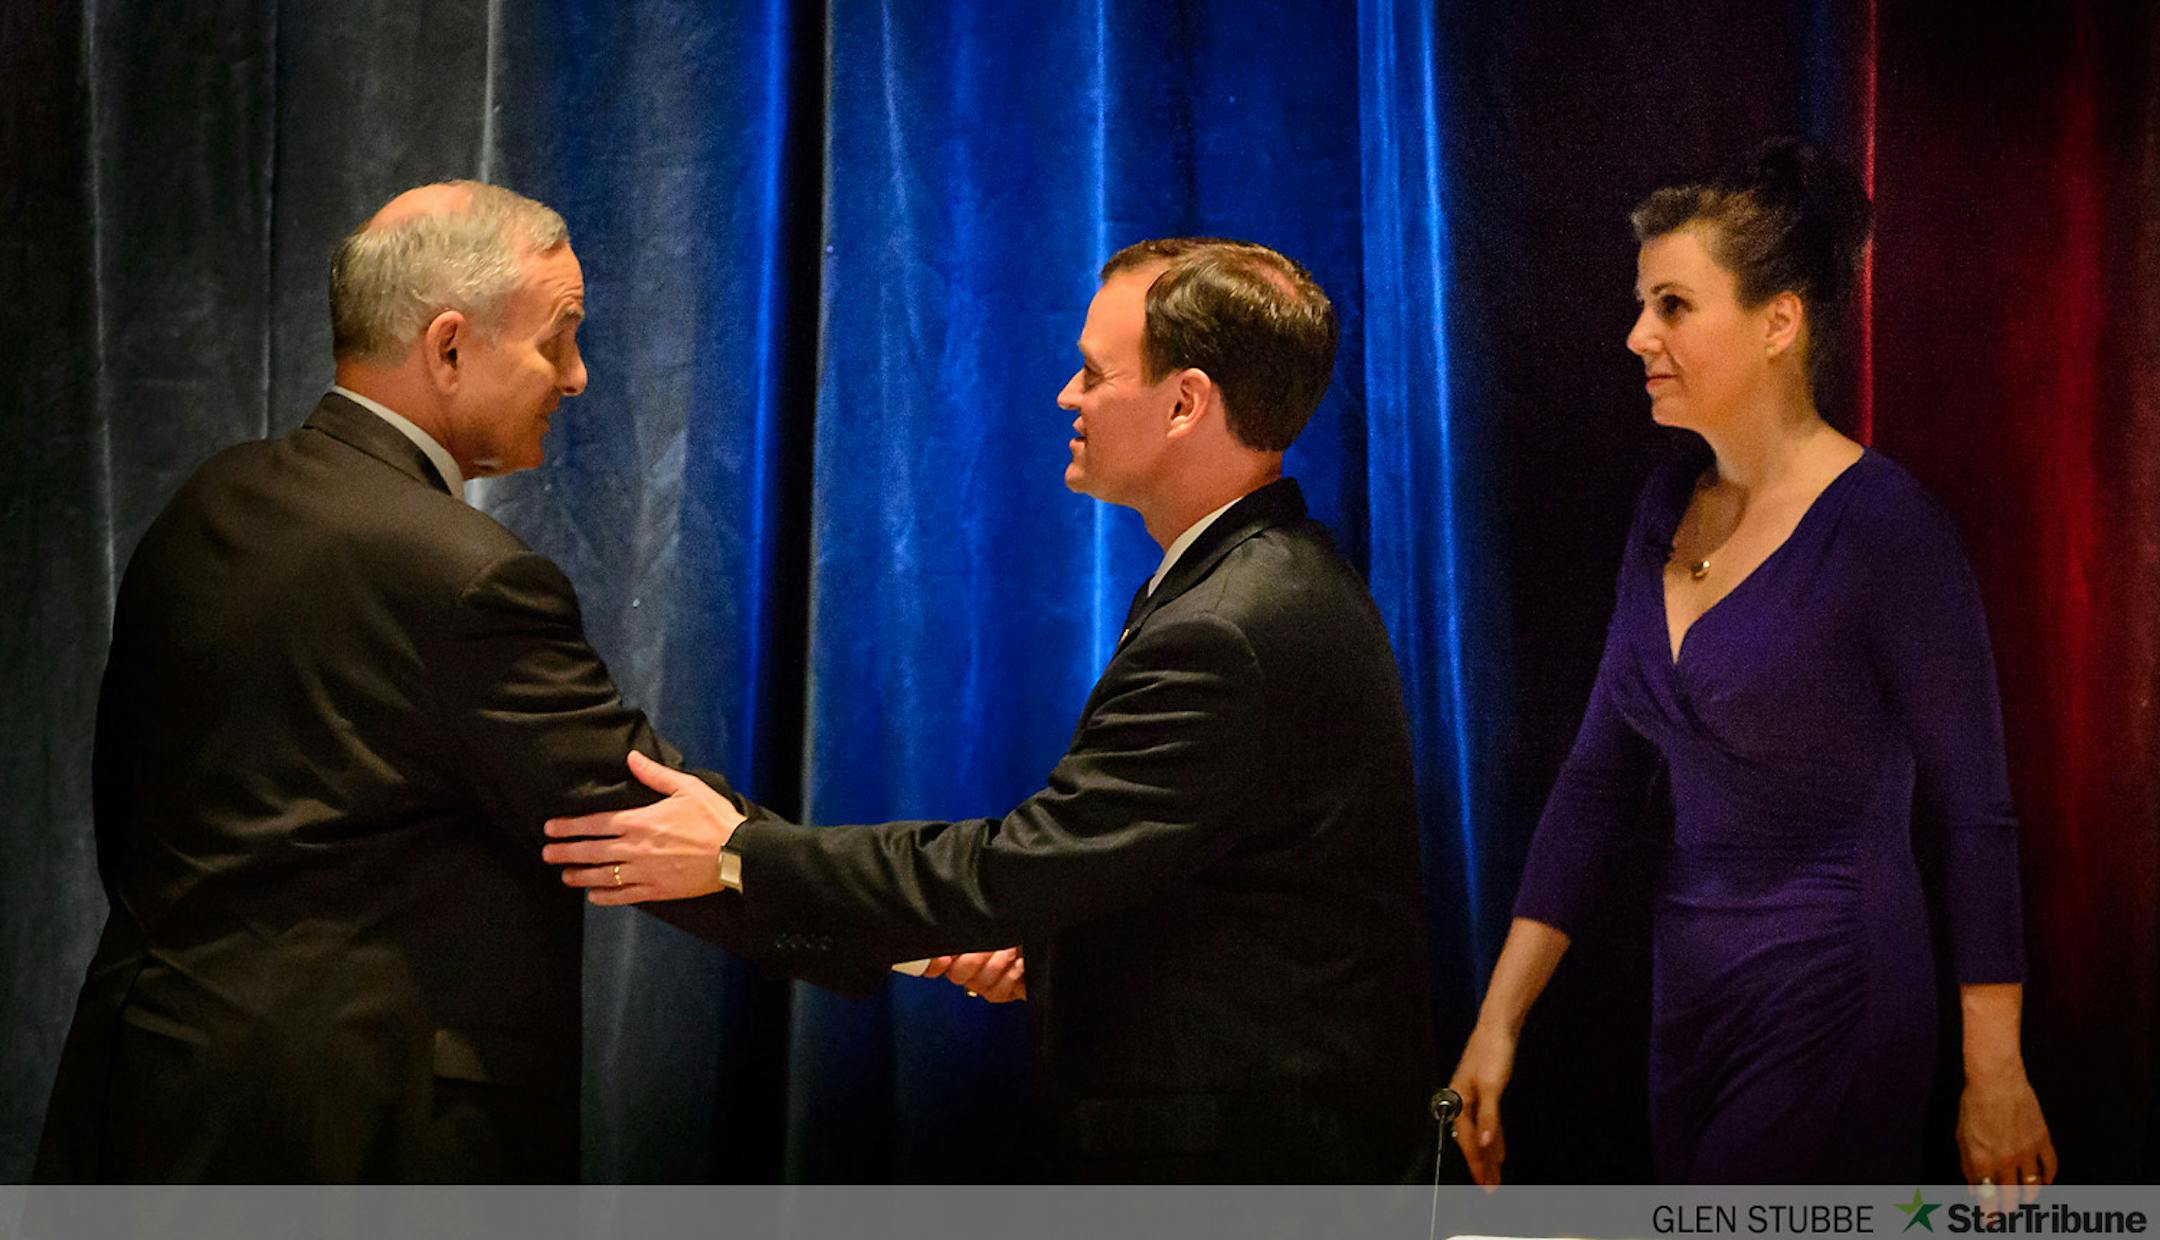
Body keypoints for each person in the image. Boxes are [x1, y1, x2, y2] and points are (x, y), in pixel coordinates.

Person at [541, 238, 1437, 1182]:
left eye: (1095, 372)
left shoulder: (1231, 624)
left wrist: (736, 854)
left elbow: (1024, 866)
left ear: (1186, 402)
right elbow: (1161, 881)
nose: (1066, 395)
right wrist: (1036, 939)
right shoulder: (1258, 580)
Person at [34, 181, 872, 1182]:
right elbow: (631, 813)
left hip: (142, 1102)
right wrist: (913, 926)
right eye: (558, 339)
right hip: (352, 1141)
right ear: (448, 348)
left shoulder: (204, 507)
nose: (578, 376)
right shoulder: (460, 574)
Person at [1445, 139, 2054, 1187]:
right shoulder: (1661, 506)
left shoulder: (1888, 530)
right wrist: (1498, 1021)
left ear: (1781, 321)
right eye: (1643, 305)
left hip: (1838, 989)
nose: (1638, 335)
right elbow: (1597, 782)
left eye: (1674, 306)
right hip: (1688, 999)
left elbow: (1975, 812)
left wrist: (1993, 1068)